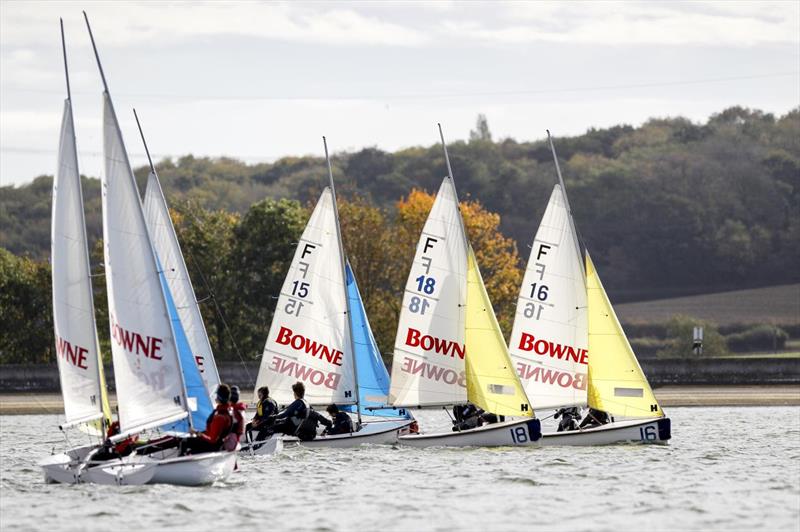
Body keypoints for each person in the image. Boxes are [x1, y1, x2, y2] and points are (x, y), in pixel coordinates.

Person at [180, 384, 234, 455]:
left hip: (213, 447)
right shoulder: (228, 412)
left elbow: (212, 439)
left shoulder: (219, 417)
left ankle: (181, 462)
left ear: (219, 397)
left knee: (184, 441)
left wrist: (197, 433)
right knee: (191, 440)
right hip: (218, 445)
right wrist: (199, 433)